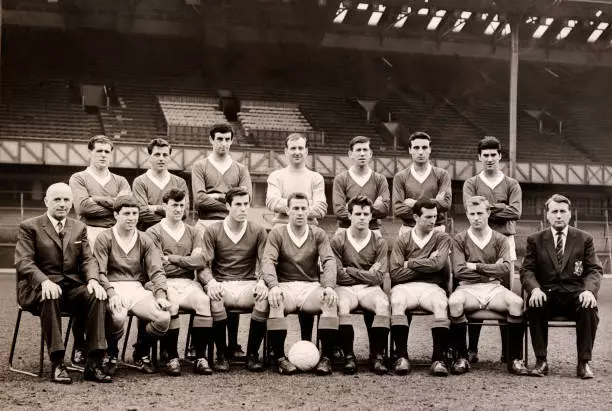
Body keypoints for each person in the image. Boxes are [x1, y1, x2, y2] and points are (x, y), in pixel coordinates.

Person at [15, 183, 111, 383]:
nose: (62, 204)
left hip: (70, 287)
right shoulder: (29, 226)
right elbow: (24, 262)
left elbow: (88, 259)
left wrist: (93, 280)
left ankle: (94, 362)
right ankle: (58, 362)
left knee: (97, 295)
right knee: (50, 294)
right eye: (57, 199)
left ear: (72, 203)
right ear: (46, 201)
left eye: (67, 200)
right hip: (37, 289)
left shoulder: (79, 227)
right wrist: (43, 281)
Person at [520, 194, 601, 379]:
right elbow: (527, 270)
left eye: (562, 211)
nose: (558, 215)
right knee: (535, 304)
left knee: (589, 306)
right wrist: (535, 289)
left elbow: (594, 269)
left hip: (575, 294)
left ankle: (584, 362)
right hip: (547, 293)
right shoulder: (535, 239)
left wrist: (589, 291)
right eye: (554, 211)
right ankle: (541, 361)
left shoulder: (584, 238)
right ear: (547, 215)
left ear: (569, 214)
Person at [448, 196, 528, 376]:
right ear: (467, 215)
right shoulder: (460, 238)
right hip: (467, 287)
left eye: (480, 213)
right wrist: (492, 269)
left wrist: (475, 266)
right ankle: (461, 357)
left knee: (517, 303)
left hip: (494, 288)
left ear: (488, 213)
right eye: (472, 214)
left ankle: (514, 359)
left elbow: (506, 269)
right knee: (454, 303)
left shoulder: (500, 239)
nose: (476, 218)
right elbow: (459, 271)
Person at [191, 123, 251, 359]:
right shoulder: (200, 166)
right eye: (219, 139)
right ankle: (201, 344)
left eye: (227, 139)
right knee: (205, 281)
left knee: (232, 277)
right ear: (211, 140)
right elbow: (199, 201)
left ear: (232, 141)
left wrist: (215, 196)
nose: (223, 143)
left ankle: (233, 343)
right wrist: (229, 201)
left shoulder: (240, 168)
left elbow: (243, 200)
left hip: (234, 226)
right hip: (206, 225)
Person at [69, 135, 131, 363]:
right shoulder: (79, 177)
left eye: (107, 151)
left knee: (109, 286)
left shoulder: (121, 180)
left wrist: (100, 199)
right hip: (86, 236)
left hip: (113, 236)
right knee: (88, 290)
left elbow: (125, 208)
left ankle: (108, 347)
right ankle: (79, 344)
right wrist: (114, 203)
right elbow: (84, 208)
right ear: (90, 152)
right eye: (99, 151)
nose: (103, 155)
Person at [262, 192, 338, 375]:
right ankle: (280, 358)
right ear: (287, 210)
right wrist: (273, 286)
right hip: (285, 286)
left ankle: (326, 358)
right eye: (295, 208)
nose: (300, 212)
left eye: (304, 208)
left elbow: (329, 260)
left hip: (309, 287)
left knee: (329, 300)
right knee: (276, 300)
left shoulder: (318, 234)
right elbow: (268, 261)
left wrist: (328, 286)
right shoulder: (277, 233)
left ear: (308, 210)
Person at [95, 195, 171, 376]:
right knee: (118, 318)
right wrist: (111, 293)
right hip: (113, 288)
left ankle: (141, 350)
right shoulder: (104, 237)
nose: (131, 218)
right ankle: (111, 353)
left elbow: (157, 270)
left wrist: (160, 295)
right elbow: (99, 272)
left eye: (135, 213)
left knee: (163, 318)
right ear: (116, 215)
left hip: (136, 288)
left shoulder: (144, 239)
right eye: (126, 213)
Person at [463, 136, 522, 364]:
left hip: (505, 241)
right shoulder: (471, 183)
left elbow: (515, 212)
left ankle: (507, 351)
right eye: (485, 155)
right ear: (479, 157)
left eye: (493, 155)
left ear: (500, 156)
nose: (489, 159)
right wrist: (500, 207)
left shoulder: (511, 183)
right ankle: (472, 349)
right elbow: (472, 209)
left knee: (505, 294)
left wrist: (487, 208)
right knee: (476, 291)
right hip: (477, 241)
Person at [200, 187, 269, 372]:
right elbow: (204, 265)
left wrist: (262, 281)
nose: (243, 209)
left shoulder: (258, 230)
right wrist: (211, 282)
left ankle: (253, 354)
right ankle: (221, 354)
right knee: (215, 297)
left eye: (246, 204)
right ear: (228, 206)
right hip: (222, 283)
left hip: (248, 283)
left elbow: (265, 262)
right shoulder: (213, 230)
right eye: (238, 204)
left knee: (264, 298)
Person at [266, 133, 327, 342]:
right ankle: (275, 349)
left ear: (307, 151)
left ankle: (306, 341)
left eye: (301, 148)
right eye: (293, 148)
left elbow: (321, 207)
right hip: (281, 231)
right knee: (280, 283)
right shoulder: (277, 176)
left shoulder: (315, 177)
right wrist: (299, 208)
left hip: (310, 232)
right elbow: (271, 201)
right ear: (286, 151)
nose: (297, 152)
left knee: (308, 282)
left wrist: (296, 210)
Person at [145, 188, 213, 376]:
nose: (178, 209)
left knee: (204, 302)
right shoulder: (153, 232)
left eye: (181, 205)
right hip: (163, 282)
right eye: (174, 205)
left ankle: (200, 357)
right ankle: (172, 357)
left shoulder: (193, 232)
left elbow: (201, 261)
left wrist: (173, 259)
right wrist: (187, 261)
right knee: (172, 304)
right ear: (165, 205)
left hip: (188, 283)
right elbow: (157, 265)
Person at [388, 199, 451, 376]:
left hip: (432, 287)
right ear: (416, 217)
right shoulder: (403, 239)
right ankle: (401, 357)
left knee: (440, 304)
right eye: (428, 217)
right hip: (405, 287)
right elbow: (395, 274)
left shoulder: (442, 237)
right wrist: (427, 265)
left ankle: (438, 359)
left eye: (435, 217)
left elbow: (439, 266)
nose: (433, 221)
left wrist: (410, 263)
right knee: (398, 301)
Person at [331, 196, 389, 375]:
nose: (362, 217)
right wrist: (366, 275)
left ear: (372, 216)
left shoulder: (379, 241)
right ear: (349, 215)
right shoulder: (338, 239)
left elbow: (378, 277)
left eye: (366, 214)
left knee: (383, 304)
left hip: (370, 289)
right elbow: (338, 274)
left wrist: (352, 271)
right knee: (342, 305)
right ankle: (349, 356)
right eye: (357, 214)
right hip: (346, 288)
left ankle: (377, 356)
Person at [392, 131, 451, 236]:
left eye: (424, 147)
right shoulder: (400, 177)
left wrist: (415, 204)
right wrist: (434, 203)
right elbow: (398, 209)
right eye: (416, 148)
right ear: (410, 150)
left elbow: (445, 204)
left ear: (430, 149)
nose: (420, 152)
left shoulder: (442, 174)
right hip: (408, 230)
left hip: (436, 230)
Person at [332, 136, 390, 237]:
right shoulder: (340, 179)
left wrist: (350, 208)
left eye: (365, 150)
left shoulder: (380, 179)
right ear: (350, 154)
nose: (362, 153)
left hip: (373, 230)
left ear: (370, 154)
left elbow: (385, 209)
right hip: (345, 230)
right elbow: (339, 212)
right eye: (358, 150)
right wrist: (373, 208)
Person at [133, 138, 190, 231]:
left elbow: (184, 213)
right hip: (147, 234)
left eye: (165, 155)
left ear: (169, 157)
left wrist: (155, 208)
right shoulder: (140, 181)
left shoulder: (180, 182)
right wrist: (171, 214)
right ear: (149, 157)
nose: (161, 158)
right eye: (157, 154)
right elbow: (142, 213)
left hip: (173, 234)